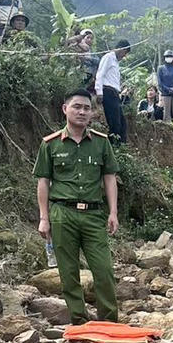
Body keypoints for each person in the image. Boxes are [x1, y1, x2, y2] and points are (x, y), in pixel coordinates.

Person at [34, 90, 120, 324]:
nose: (82, 112)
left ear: (92, 112)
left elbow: (109, 177)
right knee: (68, 273)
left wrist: (113, 212)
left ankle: (109, 322)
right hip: (63, 213)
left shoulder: (101, 143)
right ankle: (79, 320)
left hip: (93, 214)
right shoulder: (50, 145)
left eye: (86, 108)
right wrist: (44, 217)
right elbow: (43, 182)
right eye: (77, 107)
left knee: (103, 271)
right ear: (65, 109)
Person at [95, 39, 131, 143]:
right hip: (108, 92)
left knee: (122, 123)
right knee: (114, 122)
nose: (124, 56)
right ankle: (113, 146)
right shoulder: (108, 57)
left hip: (115, 94)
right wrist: (99, 92)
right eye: (125, 53)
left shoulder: (115, 62)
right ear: (121, 49)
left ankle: (120, 147)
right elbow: (100, 74)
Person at [156, 50, 173, 123]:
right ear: (164, 58)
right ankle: (167, 126)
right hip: (165, 93)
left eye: (170, 57)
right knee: (166, 113)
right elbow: (160, 82)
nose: (169, 58)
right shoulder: (160, 68)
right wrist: (167, 89)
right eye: (167, 57)